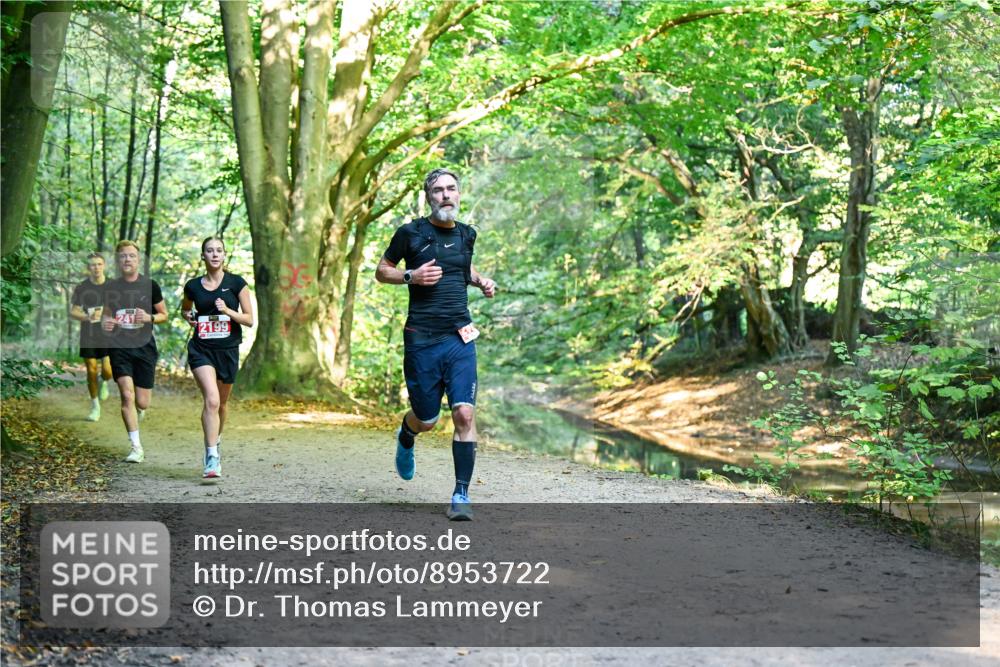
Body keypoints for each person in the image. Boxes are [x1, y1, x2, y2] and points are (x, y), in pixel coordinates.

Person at [375, 167, 496, 520]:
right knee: (427, 419)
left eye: (451, 188)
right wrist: (411, 275)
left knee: (464, 413)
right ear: (429, 197)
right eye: (438, 190)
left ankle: (461, 494)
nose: (446, 195)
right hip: (422, 340)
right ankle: (407, 433)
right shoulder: (410, 233)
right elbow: (382, 270)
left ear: (459, 194)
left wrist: (481, 281)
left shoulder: (467, 234)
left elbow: (462, 268)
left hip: (460, 337)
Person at [181, 237, 254, 479]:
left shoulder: (237, 283)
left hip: (228, 350)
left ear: (224, 255)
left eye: (218, 250)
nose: (214, 254)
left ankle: (216, 439)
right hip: (201, 349)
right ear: (203, 255)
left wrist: (227, 311)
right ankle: (211, 457)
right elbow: (185, 309)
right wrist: (189, 318)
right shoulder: (193, 286)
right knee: (211, 401)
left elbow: (249, 320)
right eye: (209, 251)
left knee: (221, 404)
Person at [101, 240, 167, 463]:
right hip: (119, 346)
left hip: (144, 347)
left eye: (131, 255)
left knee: (142, 402)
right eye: (123, 256)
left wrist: (149, 317)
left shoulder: (150, 285)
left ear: (138, 260)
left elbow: (164, 315)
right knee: (127, 395)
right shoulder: (111, 287)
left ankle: (139, 412)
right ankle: (136, 447)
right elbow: (106, 314)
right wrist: (106, 322)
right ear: (117, 260)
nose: (127, 259)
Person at [69, 253, 113, 421]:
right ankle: (95, 407)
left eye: (99, 264)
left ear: (104, 265)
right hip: (89, 333)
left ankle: (104, 381)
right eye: (93, 265)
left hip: (108, 333)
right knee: (91, 369)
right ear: (88, 268)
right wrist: (88, 317)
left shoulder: (113, 285)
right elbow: (73, 311)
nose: (96, 268)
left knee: (108, 371)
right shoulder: (82, 287)